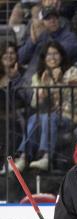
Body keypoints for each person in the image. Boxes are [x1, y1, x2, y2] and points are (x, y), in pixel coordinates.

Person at [12, 40, 77, 172]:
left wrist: (59, 81)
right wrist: (41, 93)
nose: (52, 57)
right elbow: (35, 103)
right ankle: (23, 157)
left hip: (69, 116)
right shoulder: (38, 76)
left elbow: (76, 98)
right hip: (46, 116)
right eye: (49, 54)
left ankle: (46, 156)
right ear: (44, 58)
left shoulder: (73, 72)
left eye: (55, 53)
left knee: (47, 117)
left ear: (61, 55)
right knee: (34, 118)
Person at [18, 6, 77, 72]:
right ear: (42, 22)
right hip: (30, 77)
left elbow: (61, 52)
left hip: (55, 77)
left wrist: (46, 37)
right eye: (48, 18)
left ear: (59, 19)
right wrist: (32, 41)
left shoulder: (69, 36)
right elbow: (20, 59)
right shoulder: (37, 38)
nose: (52, 21)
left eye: (55, 17)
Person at [0, 41, 27, 175]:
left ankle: (9, 163)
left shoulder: (21, 73)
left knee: (10, 126)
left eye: (12, 53)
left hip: (15, 116)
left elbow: (24, 97)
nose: (9, 56)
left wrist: (15, 78)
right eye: (6, 53)